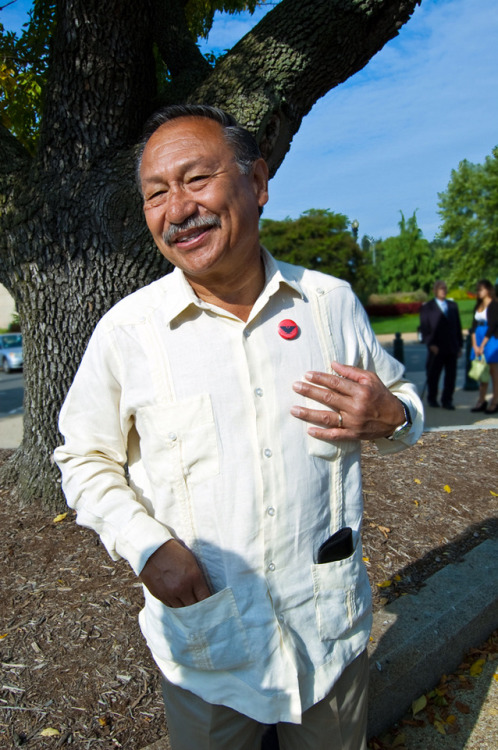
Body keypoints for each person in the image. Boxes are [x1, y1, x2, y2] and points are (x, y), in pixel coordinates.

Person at [54, 105, 423, 750]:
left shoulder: (329, 305)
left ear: (256, 181)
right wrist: (146, 546)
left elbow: (402, 401)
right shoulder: (127, 333)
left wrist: (392, 417)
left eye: (197, 179)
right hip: (209, 651)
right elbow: (83, 458)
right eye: (156, 194)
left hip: (327, 638)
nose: (178, 209)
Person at [419, 280, 463, 409]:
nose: (443, 290)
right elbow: (424, 328)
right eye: (440, 288)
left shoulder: (453, 306)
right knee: (433, 375)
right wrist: (430, 344)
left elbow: (458, 327)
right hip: (436, 348)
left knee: (451, 376)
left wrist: (459, 345)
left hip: (451, 347)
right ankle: (432, 398)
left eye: (444, 288)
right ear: (435, 291)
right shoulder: (427, 307)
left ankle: (447, 400)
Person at [469, 279, 498, 414]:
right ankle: (481, 400)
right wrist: (475, 344)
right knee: (481, 371)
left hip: (490, 339)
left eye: (481, 289)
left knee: (493, 372)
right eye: (477, 289)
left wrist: (483, 345)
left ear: (488, 290)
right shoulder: (478, 305)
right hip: (478, 338)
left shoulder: (494, 305)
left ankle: (495, 401)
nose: (478, 292)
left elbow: (492, 326)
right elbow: (473, 327)